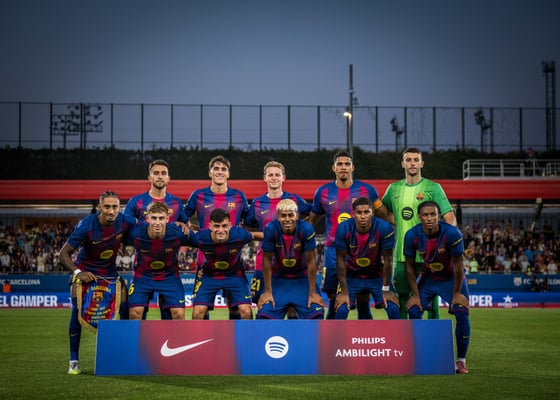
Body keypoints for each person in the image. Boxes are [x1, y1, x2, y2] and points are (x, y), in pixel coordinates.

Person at [58, 191, 136, 375]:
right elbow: (63, 254)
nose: (111, 211)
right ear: (99, 207)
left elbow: (148, 226)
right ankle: (74, 361)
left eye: (115, 207)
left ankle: (125, 355)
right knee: (77, 311)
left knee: (126, 306)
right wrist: (78, 272)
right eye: (107, 207)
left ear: (119, 208)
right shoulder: (86, 225)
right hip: (86, 271)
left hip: (109, 272)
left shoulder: (125, 221)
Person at [309, 150, 393, 319]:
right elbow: (311, 221)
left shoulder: (367, 190)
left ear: (352, 167)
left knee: (363, 296)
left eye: (347, 164)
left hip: (362, 250)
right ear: (333, 168)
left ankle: (363, 332)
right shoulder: (322, 192)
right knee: (334, 297)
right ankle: (332, 333)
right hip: (333, 251)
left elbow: (385, 215)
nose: (343, 167)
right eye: (339, 164)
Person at [382, 147, 457, 319]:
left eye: (416, 160)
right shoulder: (393, 189)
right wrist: (397, 222)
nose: (412, 163)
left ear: (422, 163)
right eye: (408, 160)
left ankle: (431, 335)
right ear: (403, 164)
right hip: (402, 256)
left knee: (431, 301)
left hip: (429, 256)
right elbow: (382, 212)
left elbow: (450, 218)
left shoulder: (433, 187)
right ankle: (403, 335)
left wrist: (443, 243)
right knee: (402, 299)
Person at [404, 201, 471, 374]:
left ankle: (461, 361)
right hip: (429, 277)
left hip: (451, 278)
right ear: (419, 217)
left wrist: (457, 293)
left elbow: (458, 265)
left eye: (432, 214)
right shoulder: (412, 235)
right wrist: (415, 295)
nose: (429, 218)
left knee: (462, 312)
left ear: (438, 216)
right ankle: (418, 356)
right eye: (425, 215)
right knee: (414, 309)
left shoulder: (452, 233)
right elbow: (409, 267)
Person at [184, 155, 249, 319]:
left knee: (236, 308)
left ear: (228, 174)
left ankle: (237, 335)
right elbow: (181, 217)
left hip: (233, 262)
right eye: (216, 168)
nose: (220, 172)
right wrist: (186, 226)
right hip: (205, 262)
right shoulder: (198, 195)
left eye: (223, 169)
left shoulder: (239, 196)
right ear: (210, 173)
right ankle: (203, 336)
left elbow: (250, 221)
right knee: (201, 309)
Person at [244, 161, 311, 317]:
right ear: (265, 178)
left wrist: (303, 231)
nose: (274, 178)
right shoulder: (257, 203)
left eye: (277, 175)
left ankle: (291, 333)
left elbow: (314, 213)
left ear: (283, 178)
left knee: (292, 306)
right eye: (270, 175)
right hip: (264, 261)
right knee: (262, 302)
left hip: (291, 261)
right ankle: (263, 332)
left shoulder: (294, 199)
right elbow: (248, 226)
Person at [124, 159, 188, 320]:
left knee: (171, 313)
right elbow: (125, 227)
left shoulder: (176, 203)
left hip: (169, 268)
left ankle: (168, 337)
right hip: (143, 266)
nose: (160, 176)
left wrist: (182, 226)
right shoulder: (136, 201)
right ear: (149, 177)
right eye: (156, 173)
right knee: (136, 313)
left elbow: (184, 228)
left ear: (168, 178)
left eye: (163, 173)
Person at [185, 208, 262, 320]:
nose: (221, 230)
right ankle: (199, 332)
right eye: (217, 226)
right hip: (210, 276)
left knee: (246, 311)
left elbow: (256, 235)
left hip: (235, 275)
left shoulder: (239, 235)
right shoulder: (200, 238)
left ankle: (246, 332)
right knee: (198, 312)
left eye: (224, 226)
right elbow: (177, 238)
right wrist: (179, 225)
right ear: (210, 226)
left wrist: (277, 235)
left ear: (229, 225)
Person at [256, 199, 324, 319]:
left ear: (297, 215)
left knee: (316, 315)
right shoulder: (271, 229)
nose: (287, 219)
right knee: (264, 316)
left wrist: (313, 293)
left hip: (302, 278)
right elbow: (266, 261)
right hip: (278, 278)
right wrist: (267, 292)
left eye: (291, 215)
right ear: (278, 216)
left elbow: (311, 262)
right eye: (283, 216)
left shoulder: (306, 229)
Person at [334, 197, 400, 320]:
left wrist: (386, 289)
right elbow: (340, 260)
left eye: (366, 212)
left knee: (393, 308)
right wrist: (344, 292)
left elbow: (388, 260)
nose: (363, 216)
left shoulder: (384, 228)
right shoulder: (344, 228)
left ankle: (396, 334)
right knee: (341, 309)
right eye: (359, 213)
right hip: (351, 276)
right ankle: (339, 334)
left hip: (377, 276)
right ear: (353, 214)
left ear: (373, 212)